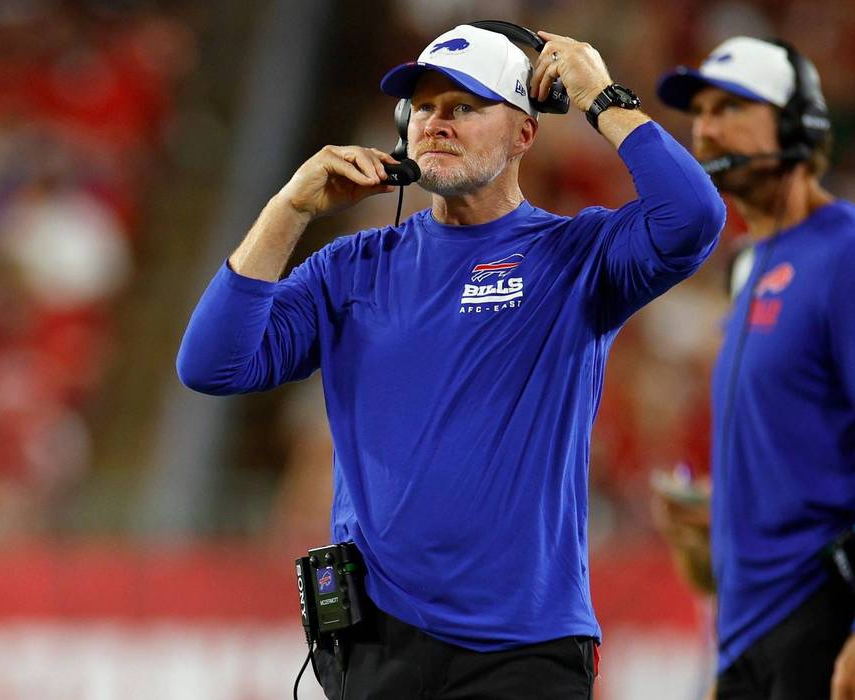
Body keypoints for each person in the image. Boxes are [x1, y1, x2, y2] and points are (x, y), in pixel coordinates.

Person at [177, 23, 724, 698]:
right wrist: (287, 210)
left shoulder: (574, 257)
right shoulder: (352, 268)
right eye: (425, 107)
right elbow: (211, 363)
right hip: (377, 646)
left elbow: (692, 217)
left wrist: (599, 96)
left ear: (523, 133)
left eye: (465, 107)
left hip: (523, 649)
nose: (437, 123)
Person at [654, 36, 855, 699]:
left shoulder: (844, 252)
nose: (706, 129)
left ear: (798, 126)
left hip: (822, 617)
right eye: (701, 111)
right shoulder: (744, 268)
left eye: (732, 107)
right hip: (746, 629)